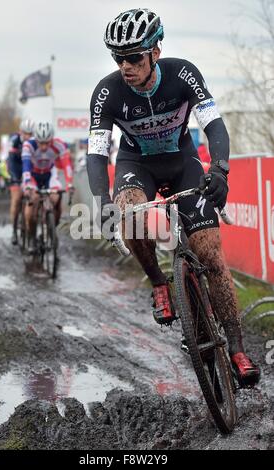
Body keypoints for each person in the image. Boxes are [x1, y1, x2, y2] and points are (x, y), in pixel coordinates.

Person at [86, 8, 260, 387]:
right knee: (129, 213)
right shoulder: (107, 92)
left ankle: (236, 347)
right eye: (118, 58)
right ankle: (159, 283)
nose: (125, 66)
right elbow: (98, 153)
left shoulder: (184, 74)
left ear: (155, 52)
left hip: (182, 161)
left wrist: (221, 169)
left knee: (211, 255)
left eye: (134, 57)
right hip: (137, 165)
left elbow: (213, 123)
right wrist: (101, 201)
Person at [22, 121, 74, 253]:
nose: (44, 146)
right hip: (33, 176)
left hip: (49, 174)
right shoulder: (29, 145)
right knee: (31, 206)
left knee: (56, 196)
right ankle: (32, 238)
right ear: (36, 139)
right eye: (41, 143)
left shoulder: (59, 145)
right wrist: (28, 184)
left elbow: (66, 165)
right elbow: (26, 166)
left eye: (47, 142)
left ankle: (51, 225)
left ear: (51, 139)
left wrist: (69, 183)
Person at [7, 119, 35, 245]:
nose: (28, 136)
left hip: (29, 169)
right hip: (17, 170)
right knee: (17, 198)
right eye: (25, 133)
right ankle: (14, 230)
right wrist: (15, 178)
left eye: (30, 133)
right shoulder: (14, 141)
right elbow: (11, 162)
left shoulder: (35, 142)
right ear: (20, 132)